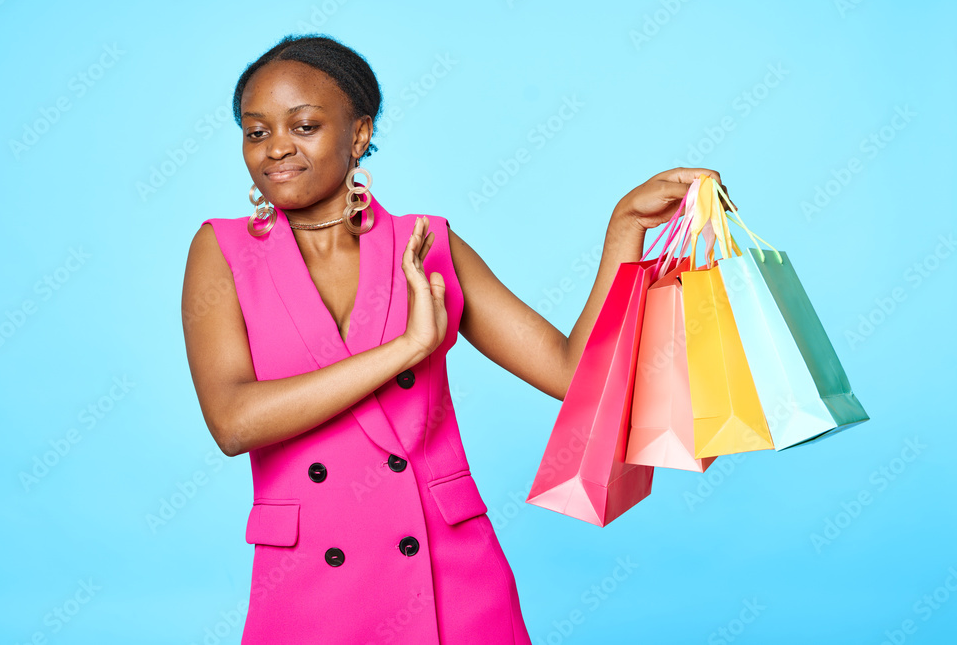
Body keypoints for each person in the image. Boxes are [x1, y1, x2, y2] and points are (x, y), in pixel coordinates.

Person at [181, 33, 727, 644]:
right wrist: (408, 349)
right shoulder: (222, 251)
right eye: (257, 132)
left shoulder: (428, 242)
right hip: (308, 578)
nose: (277, 148)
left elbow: (574, 376)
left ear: (359, 134)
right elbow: (233, 421)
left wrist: (624, 230)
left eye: (304, 125)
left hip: (448, 570)